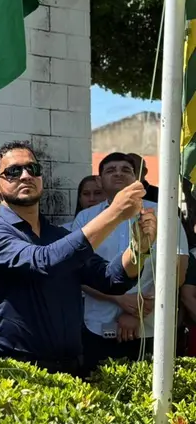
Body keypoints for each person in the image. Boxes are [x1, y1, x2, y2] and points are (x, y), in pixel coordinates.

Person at [0, 141, 157, 375]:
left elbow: (110, 279)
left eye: (33, 169)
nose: (26, 175)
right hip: (13, 372)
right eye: (14, 171)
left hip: (70, 369)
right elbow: (43, 262)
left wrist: (139, 250)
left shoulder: (58, 235)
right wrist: (114, 214)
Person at [70, 152, 189, 375]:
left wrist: (137, 311)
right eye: (110, 170)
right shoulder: (86, 219)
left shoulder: (164, 214)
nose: (118, 173)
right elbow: (75, 272)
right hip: (97, 328)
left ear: (137, 179)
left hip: (152, 328)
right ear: (99, 180)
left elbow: (177, 271)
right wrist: (118, 299)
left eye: (126, 170)